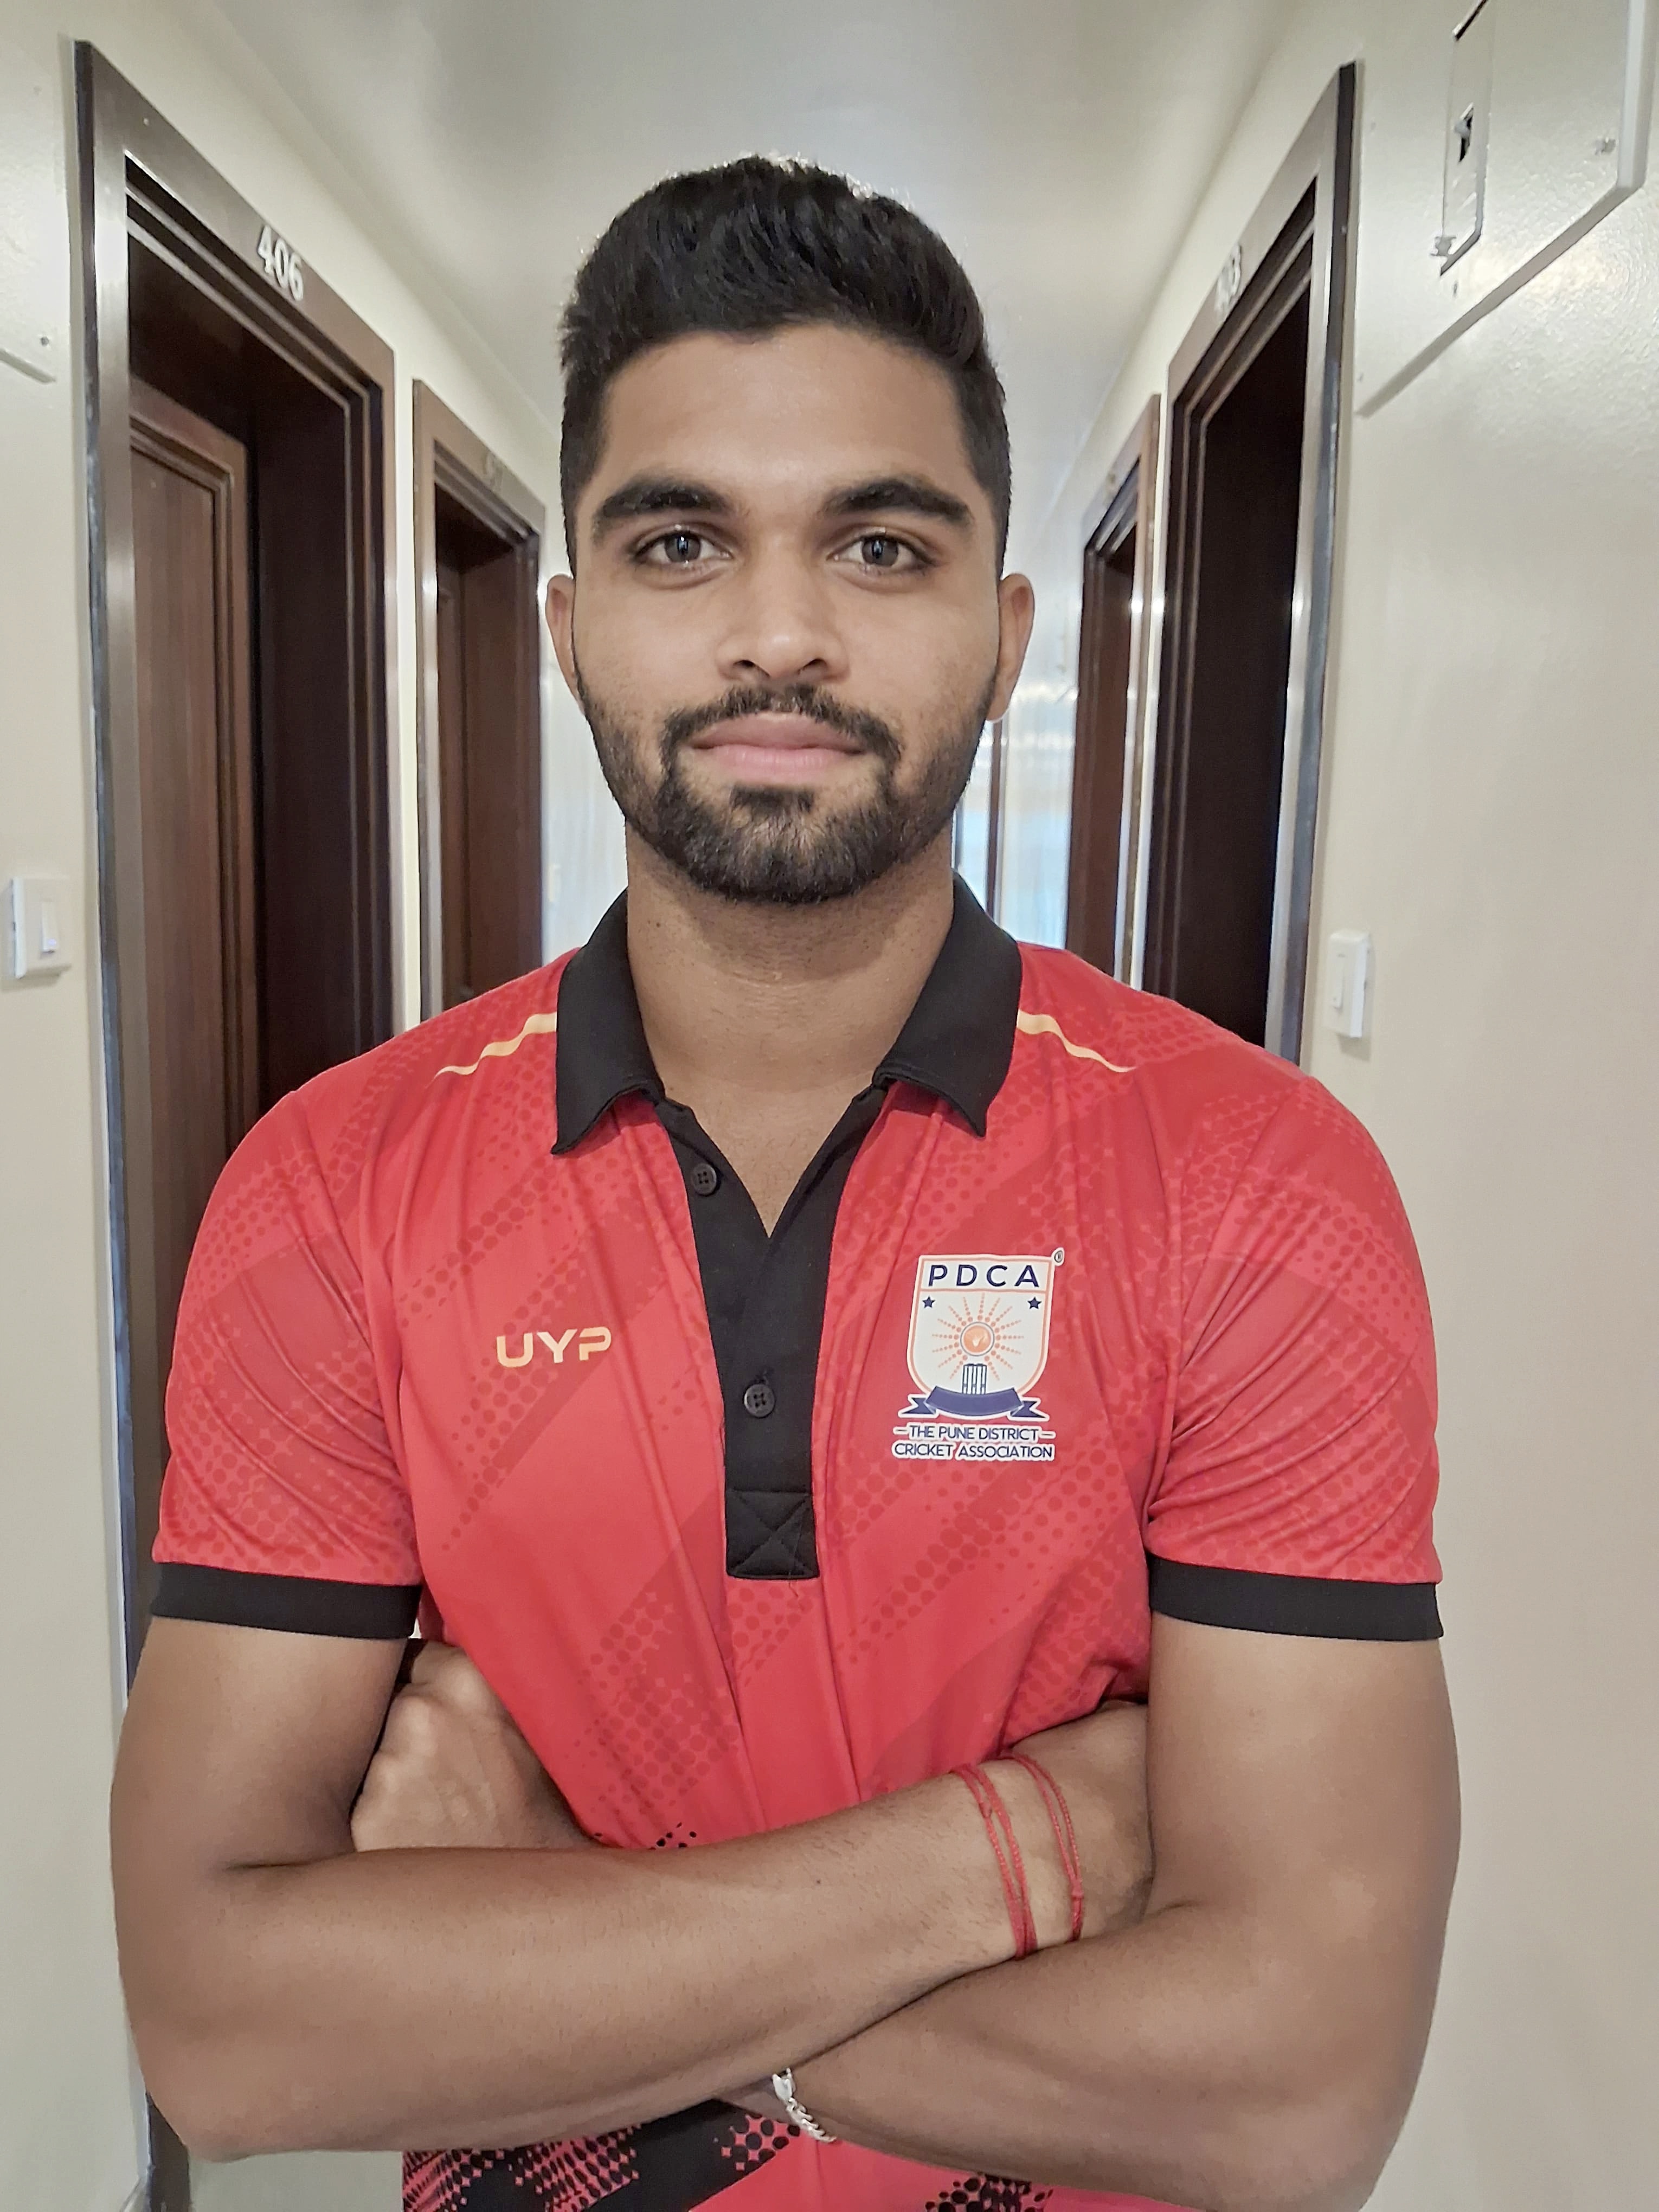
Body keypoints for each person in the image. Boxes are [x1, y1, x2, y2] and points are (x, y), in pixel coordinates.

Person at [111, 158, 1458, 2212]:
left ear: (1003, 635)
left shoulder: (1253, 1185)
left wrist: (546, 1913)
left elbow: (1292, 2092)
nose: (778, 636)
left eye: (880, 544)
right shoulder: (333, 1188)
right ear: (568, 626)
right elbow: (227, 2031)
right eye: (679, 542)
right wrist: (1007, 1850)